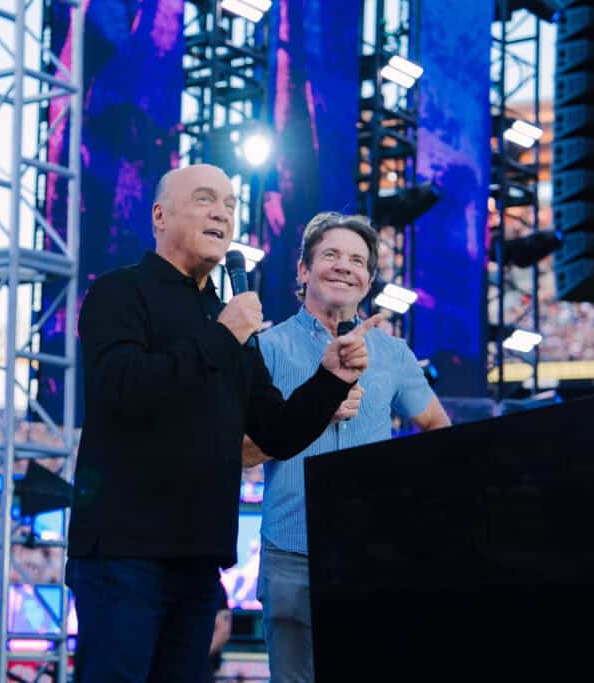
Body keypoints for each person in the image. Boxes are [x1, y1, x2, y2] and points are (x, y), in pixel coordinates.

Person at [65, 165, 379, 682]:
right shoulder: (120, 293)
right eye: (206, 200)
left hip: (197, 560)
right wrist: (223, 336)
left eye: (231, 206)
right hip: (123, 555)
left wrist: (329, 380)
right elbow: (122, 389)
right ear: (160, 216)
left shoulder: (230, 316)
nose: (223, 213)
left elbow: (275, 431)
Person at [243, 211, 451, 683]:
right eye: (331, 255)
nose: (344, 266)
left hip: (371, 552)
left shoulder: (394, 354)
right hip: (289, 553)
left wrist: (410, 497)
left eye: (357, 260)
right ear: (303, 270)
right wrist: (315, 409)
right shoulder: (267, 348)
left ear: (368, 280)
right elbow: (238, 453)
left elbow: (438, 428)